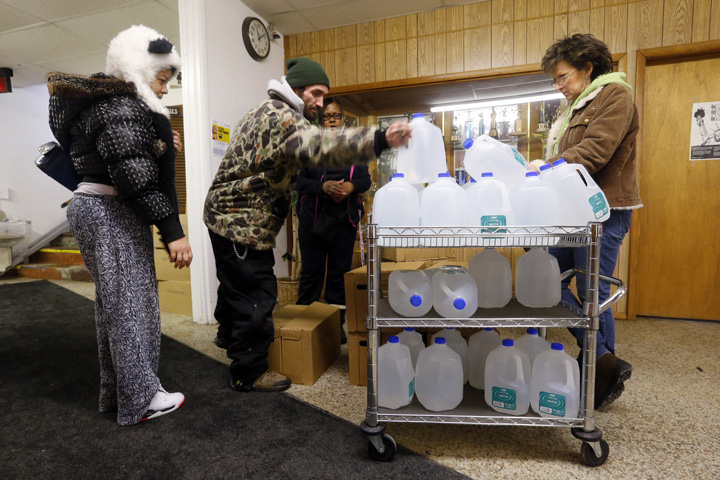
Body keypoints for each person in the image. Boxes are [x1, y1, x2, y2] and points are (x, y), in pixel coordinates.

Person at [204, 57, 411, 393]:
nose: (319, 101)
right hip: (242, 220)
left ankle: (227, 335)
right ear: (296, 87)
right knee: (257, 293)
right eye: (315, 93)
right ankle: (249, 371)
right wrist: (381, 138)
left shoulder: (266, 110)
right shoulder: (280, 116)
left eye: (324, 95)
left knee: (235, 283)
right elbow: (320, 148)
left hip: (227, 215)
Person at [47, 25, 192, 426]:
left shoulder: (104, 104)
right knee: (131, 306)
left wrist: (159, 144)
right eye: (161, 79)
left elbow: (119, 157)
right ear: (138, 68)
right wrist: (173, 231)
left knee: (115, 307)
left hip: (97, 206)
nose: (164, 90)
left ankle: (120, 393)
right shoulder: (122, 107)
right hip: (109, 209)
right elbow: (134, 177)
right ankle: (141, 399)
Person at [539, 33, 642, 410]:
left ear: (587, 68)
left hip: (604, 211)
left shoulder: (615, 97)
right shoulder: (574, 108)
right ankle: (603, 359)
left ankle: (599, 372)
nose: (559, 86)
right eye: (555, 80)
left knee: (593, 293)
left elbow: (595, 151)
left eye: (563, 77)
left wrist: (546, 166)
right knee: (548, 279)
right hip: (572, 213)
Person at [294, 98, 371, 343]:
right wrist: (322, 186)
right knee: (311, 275)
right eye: (327, 116)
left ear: (342, 119)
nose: (332, 120)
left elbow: (365, 180)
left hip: (343, 223)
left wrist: (350, 186)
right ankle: (305, 328)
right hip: (313, 222)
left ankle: (335, 327)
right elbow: (298, 182)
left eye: (336, 116)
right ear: (320, 120)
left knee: (338, 277)